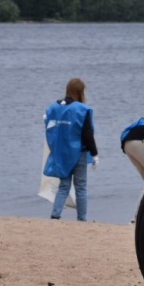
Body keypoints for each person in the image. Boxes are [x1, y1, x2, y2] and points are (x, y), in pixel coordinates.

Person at [43, 78, 99, 221]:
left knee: (64, 186)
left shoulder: (54, 107)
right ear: (80, 92)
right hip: (79, 153)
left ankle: (55, 215)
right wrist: (94, 154)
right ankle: (82, 219)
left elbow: (50, 128)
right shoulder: (82, 109)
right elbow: (87, 134)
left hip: (62, 155)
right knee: (81, 187)